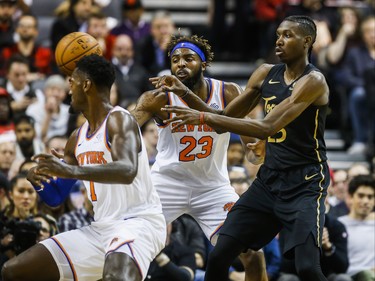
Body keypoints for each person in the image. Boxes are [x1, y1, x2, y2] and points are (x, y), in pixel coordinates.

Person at [159, 15, 331, 281]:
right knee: (220, 255)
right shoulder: (265, 72)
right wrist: (186, 94)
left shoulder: (314, 81)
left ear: (307, 41)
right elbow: (224, 120)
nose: (279, 41)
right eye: (278, 35)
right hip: (269, 181)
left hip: (305, 182)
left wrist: (203, 118)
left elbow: (266, 127)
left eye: (288, 35)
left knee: (307, 268)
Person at [1, 54, 166, 281]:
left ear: (86, 85)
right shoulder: (76, 138)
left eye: (72, 83)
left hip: (138, 223)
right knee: (14, 272)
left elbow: (127, 171)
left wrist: (70, 171)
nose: (69, 91)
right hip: (100, 230)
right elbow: (56, 197)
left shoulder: (120, 119)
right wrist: (38, 180)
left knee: (115, 277)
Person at [131, 34, 267, 281]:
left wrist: (254, 150)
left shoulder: (227, 92)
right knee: (128, 246)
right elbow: (125, 127)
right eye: (175, 59)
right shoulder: (159, 97)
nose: (180, 64)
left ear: (203, 64)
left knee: (252, 254)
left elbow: (248, 135)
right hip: (167, 184)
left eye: (188, 58)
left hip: (212, 188)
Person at [338, 175, 375, 281]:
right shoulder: (340, 224)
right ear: (350, 197)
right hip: (348, 277)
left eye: (370, 197)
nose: (365, 201)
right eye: (361, 195)